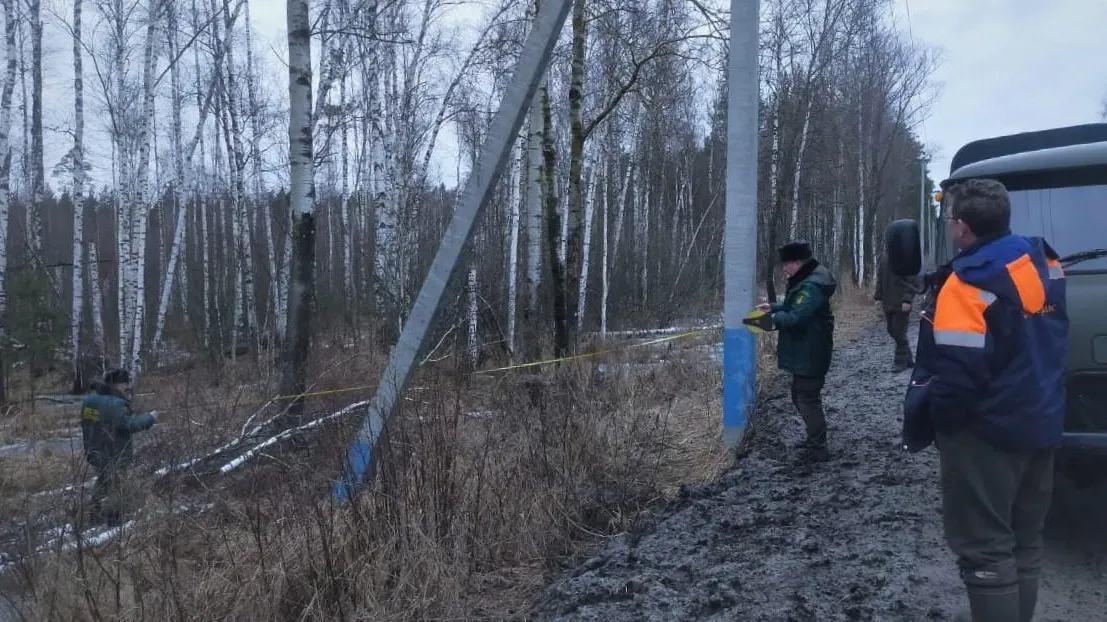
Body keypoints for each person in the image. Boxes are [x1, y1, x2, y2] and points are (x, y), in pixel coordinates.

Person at [901, 178, 1067, 622]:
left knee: (986, 552)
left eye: (952, 220)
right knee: (1025, 544)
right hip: (1041, 421)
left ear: (962, 228)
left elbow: (957, 378)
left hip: (985, 436)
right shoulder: (1043, 262)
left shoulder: (966, 286)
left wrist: (939, 424)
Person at [755, 240, 838, 462]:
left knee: (807, 399)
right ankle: (815, 439)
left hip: (811, 351)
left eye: (786, 264)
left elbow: (797, 316)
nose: (783, 269)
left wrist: (771, 320)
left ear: (798, 262)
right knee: (799, 395)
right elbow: (795, 306)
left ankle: (818, 448)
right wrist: (774, 307)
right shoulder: (808, 280)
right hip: (807, 349)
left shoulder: (811, 286)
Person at [80, 368, 157, 525]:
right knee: (116, 486)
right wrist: (150, 418)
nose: (127, 388)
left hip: (93, 451)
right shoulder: (116, 404)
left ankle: (94, 516)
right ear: (118, 385)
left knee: (102, 480)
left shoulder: (90, 400)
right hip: (114, 453)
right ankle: (114, 520)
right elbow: (128, 424)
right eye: (125, 384)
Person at [875, 251, 922, 371]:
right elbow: (880, 277)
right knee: (892, 331)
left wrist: (907, 300)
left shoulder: (906, 256)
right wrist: (878, 297)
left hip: (902, 303)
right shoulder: (884, 257)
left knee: (899, 332)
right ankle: (908, 358)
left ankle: (900, 362)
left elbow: (913, 281)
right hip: (888, 302)